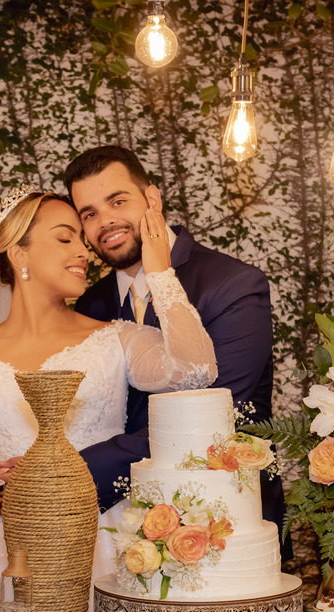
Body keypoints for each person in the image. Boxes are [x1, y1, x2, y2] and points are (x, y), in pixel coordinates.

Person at [0, 185, 217, 612]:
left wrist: (160, 271)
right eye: (65, 238)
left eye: (82, 241)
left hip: (98, 539)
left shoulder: (116, 339)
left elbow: (196, 369)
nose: (83, 252)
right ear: (19, 254)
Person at [66, 145, 284, 532]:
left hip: (224, 519)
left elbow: (216, 414)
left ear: (152, 198)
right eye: (90, 213)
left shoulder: (232, 285)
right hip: (115, 527)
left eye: (118, 201)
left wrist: (71, 471)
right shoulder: (89, 304)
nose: (106, 221)